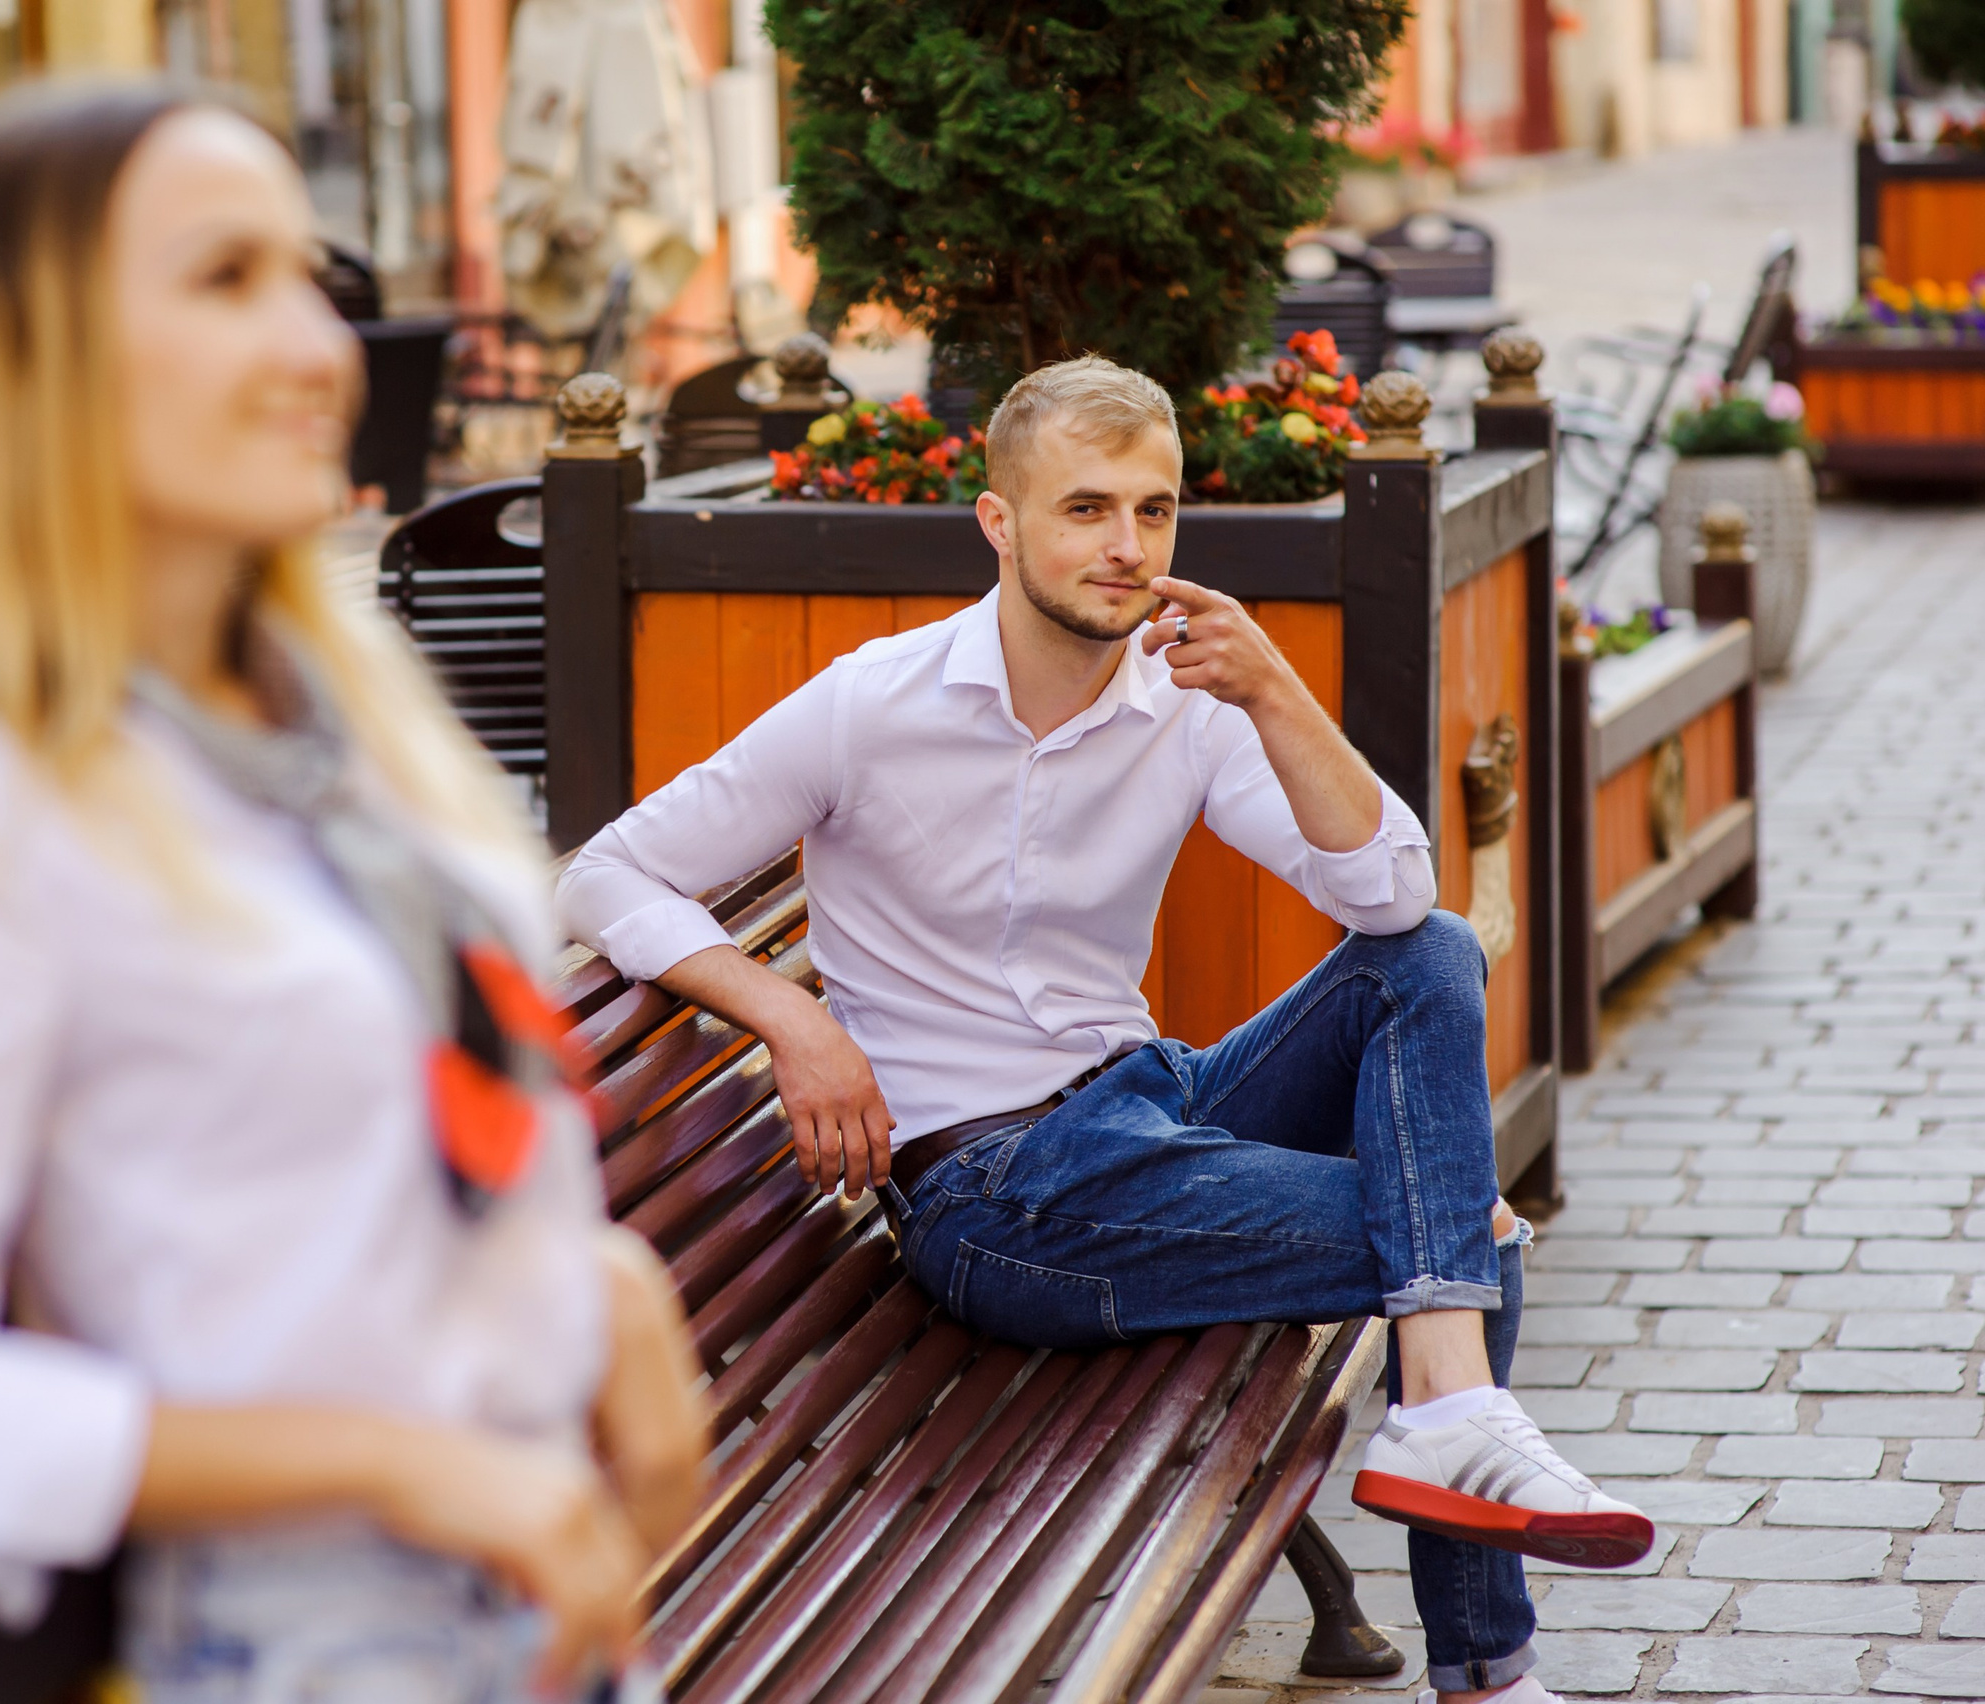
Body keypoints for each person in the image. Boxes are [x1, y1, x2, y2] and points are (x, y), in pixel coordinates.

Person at [0, 82, 706, 1704]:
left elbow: (337, 1167)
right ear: (23, 361)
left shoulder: (349, 745)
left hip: (544, 1611)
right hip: (308, 1642)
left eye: (311, 283)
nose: (323, 351)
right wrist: (395, 1464)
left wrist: (590, 1282)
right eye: (223, 280)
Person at [555, 356, 1650, 1704]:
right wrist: (792, 1014)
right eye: (1085, 509)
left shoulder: (1186, 699)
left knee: (1416, 962)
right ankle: (1485, 1649)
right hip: (997, 1194)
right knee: (1464, 1233)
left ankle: (1442, 1414)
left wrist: (1277, 695)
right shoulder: (869, 705)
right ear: (998, 524)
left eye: (1155, 511)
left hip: (1150, 1104)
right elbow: (604, 873)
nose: (1128, 549)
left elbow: (1395, 895)